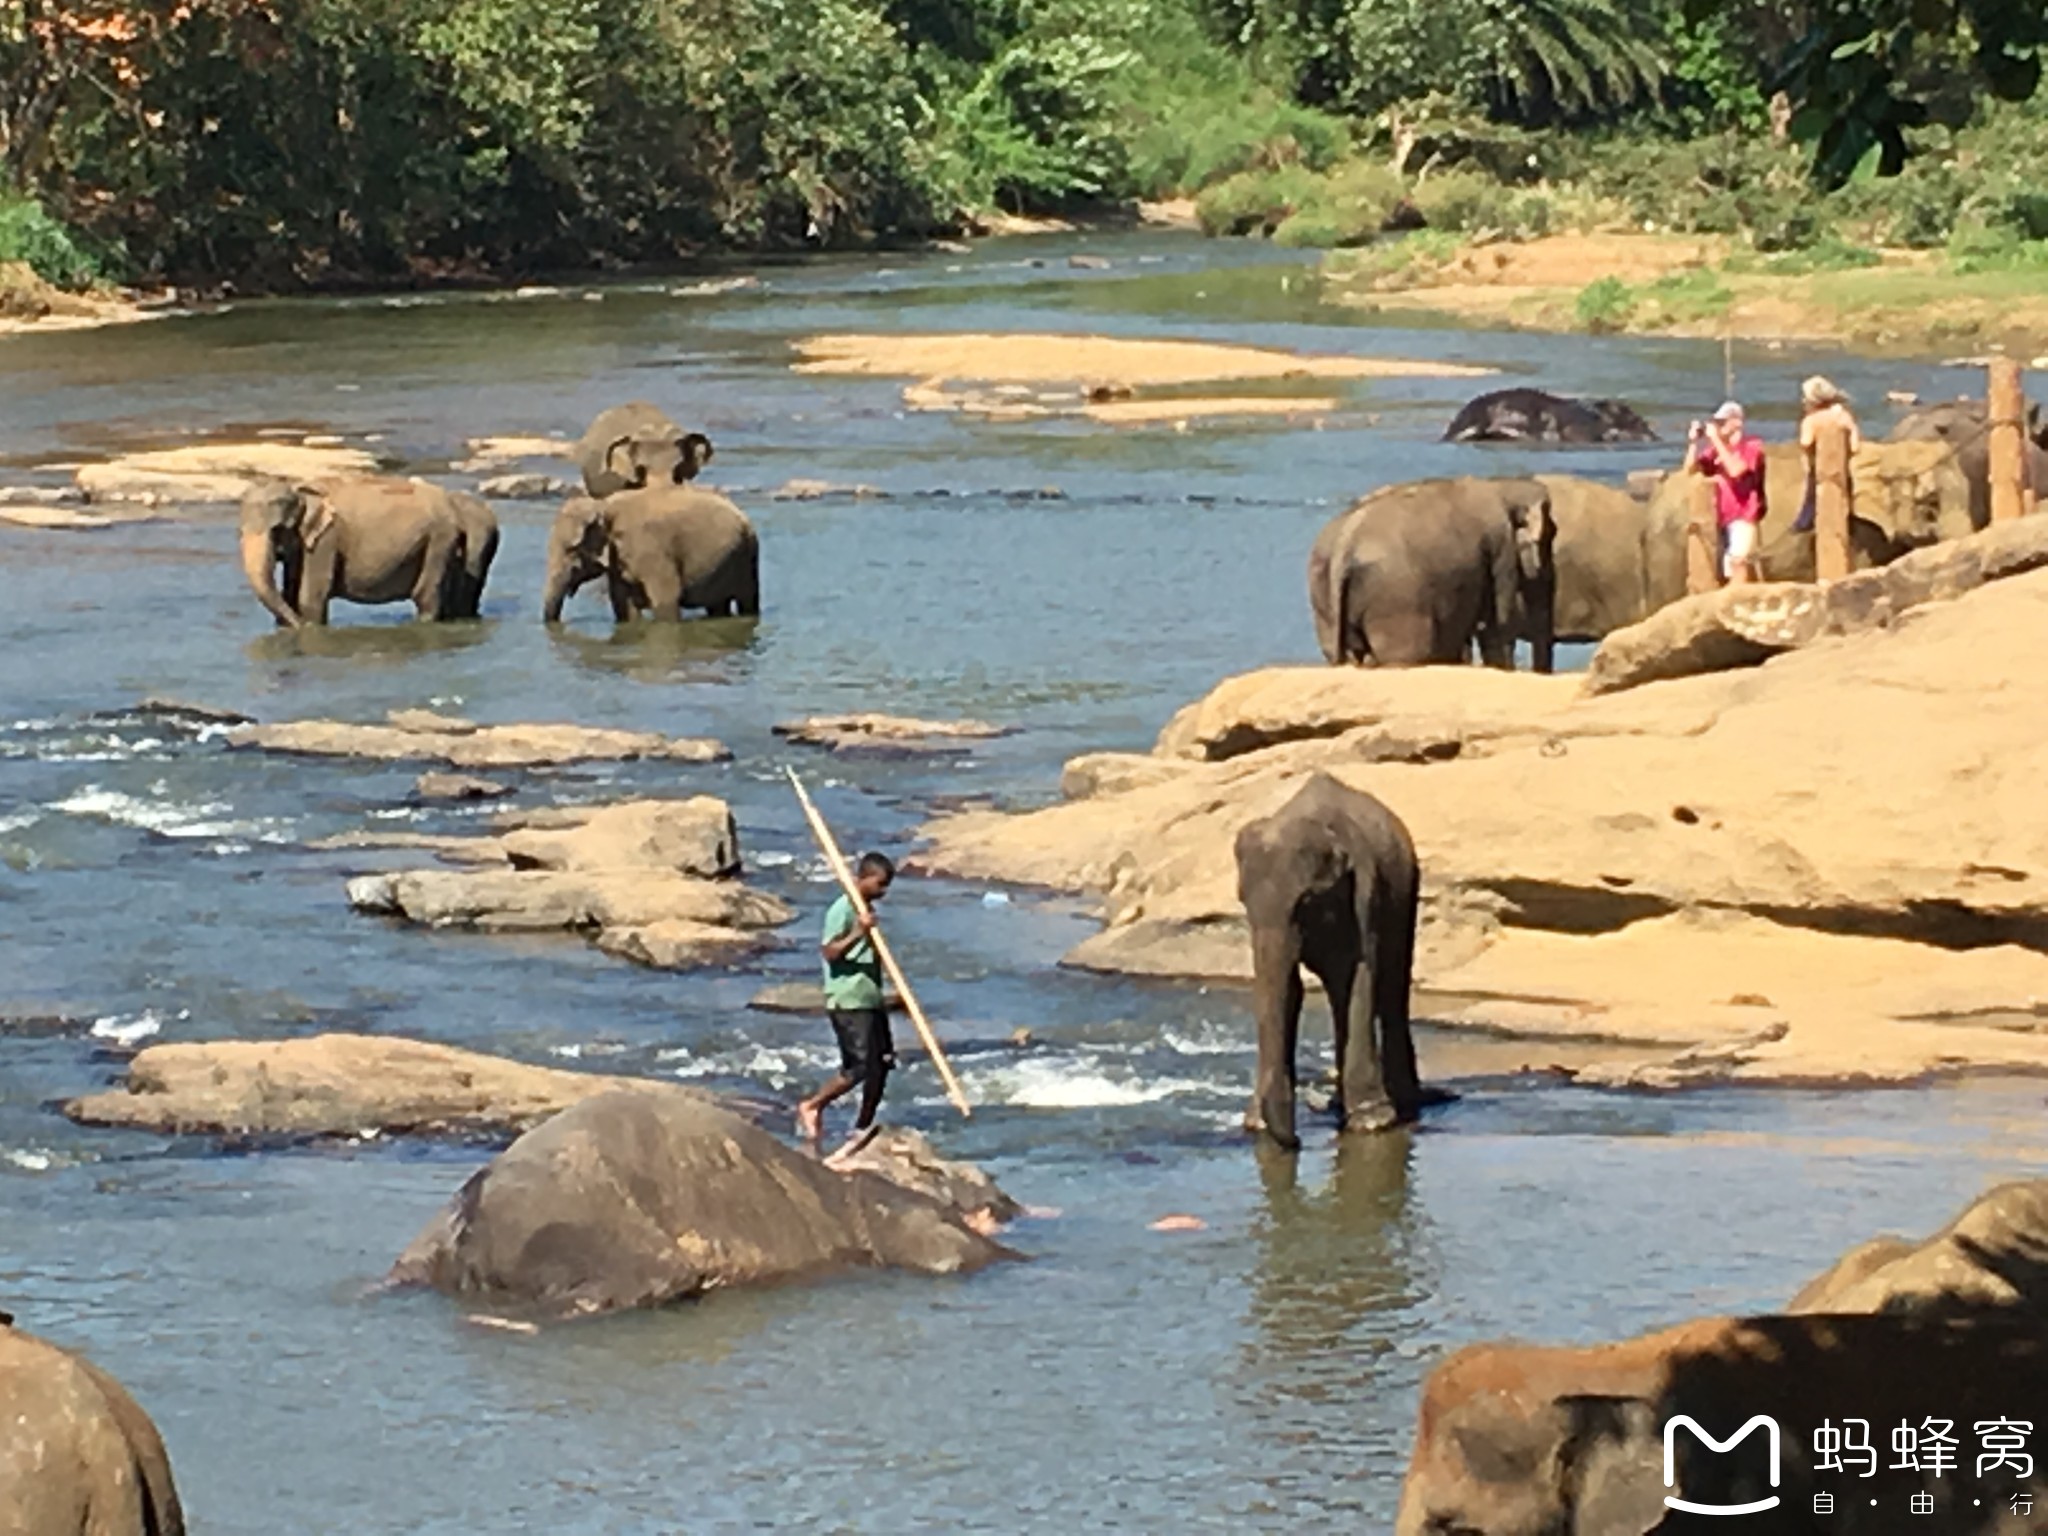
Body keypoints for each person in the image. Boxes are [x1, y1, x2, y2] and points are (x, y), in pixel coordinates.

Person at [796, 852, 896, 1153]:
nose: (883, 892)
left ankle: (862, 1126)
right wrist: (859, 932)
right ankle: (813, 1106)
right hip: (848, 1000)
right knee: (858, 1066)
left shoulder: (867, 909)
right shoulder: (842, 909)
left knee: (883, 1063)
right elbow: (830, 952)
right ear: (863, 879)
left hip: (870, 999)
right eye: (880, 884)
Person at [1688, 399, 1767, 584]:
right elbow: (1690, 470)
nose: (1717, 426)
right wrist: (1693, 443)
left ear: (1737, 422)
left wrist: (1715, 439)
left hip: (1744, 514)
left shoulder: (1752, 446)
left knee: (1738, 561)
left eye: (1722, 422)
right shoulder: (1715, 451)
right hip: (1722, 517)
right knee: (1725, 569)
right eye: (1716, 422)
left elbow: (1736, 470)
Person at [1794, 375, 1860, 533]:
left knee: (1811, 505)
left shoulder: (1811, 420)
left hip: (1819, 471)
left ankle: (1805, 526)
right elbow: (1855, 446)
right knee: (1844, 501)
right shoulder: (1844, 417)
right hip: (1842, 469)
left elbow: (1806, 442)